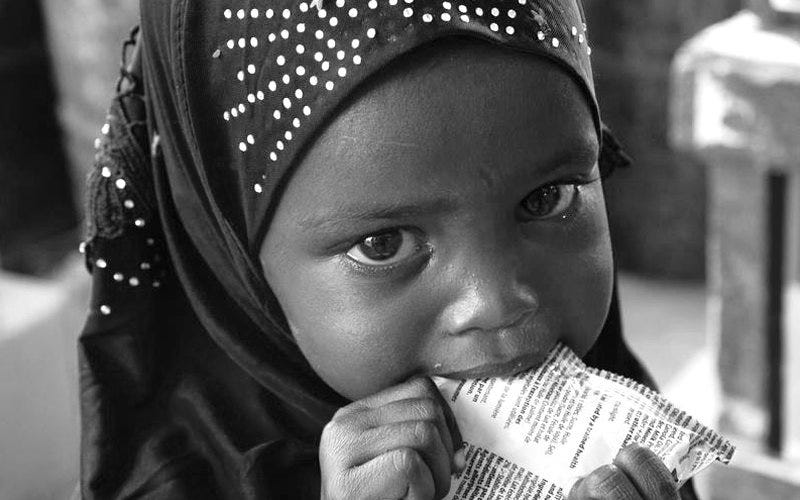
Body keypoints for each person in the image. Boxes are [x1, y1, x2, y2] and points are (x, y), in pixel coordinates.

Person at [78, 0, 699, 498]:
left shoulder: (622, 442)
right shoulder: (175, 480)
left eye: (547, 198)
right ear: (234, 255)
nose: (497, 303)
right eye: (383, 244)